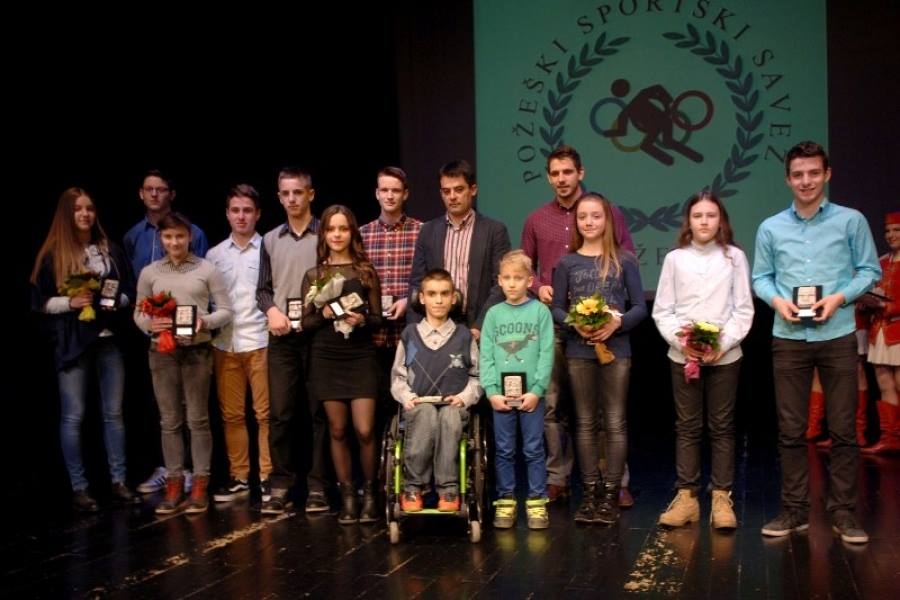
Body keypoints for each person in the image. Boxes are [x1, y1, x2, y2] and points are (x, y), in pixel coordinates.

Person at [752, 140, 880, 544]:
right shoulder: (771, 227)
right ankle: (794, 510)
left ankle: (843, 513)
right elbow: (761, 278)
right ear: (787, 179)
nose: (805, 181)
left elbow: (869, 271)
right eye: (797, 174)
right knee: (791, 430)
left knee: (843, 428)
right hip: (788, 336)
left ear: (827, 175)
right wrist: (777, 302)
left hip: (837, 333)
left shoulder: (851, 220)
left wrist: (839, 297)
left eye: (813, 173)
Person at [521, 143, 637, 506]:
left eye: (568, 172)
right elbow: (524, 269)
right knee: (554, 405)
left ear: (580, 173)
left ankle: (612, 480)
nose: (561, 179)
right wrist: (539, 287)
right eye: (555, 173)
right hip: (556, 324)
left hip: (604, 329)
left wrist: (612, 317)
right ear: (548, 178)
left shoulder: (607, 212)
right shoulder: (536, 219)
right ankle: (559, 477)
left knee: (605, 412)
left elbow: (626, 258)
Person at [30, 187, 139, 511]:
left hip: (108, 338)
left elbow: (129, 289)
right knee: (74, 415)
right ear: (67, 214)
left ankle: (119, 480)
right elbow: (39, 302)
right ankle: (79, 487)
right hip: (73, 342)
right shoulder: (54, 253)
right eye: (78, 209)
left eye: (89, 208)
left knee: (113, 413)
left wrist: (115, 301)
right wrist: (70, 302)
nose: (85, 214)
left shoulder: (108, 249)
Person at [652, 192, 754, 529]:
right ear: (689, 221)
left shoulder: (735, 257)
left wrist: (722, 344)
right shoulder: (675, 259)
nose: (705, 221)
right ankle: (687, 499)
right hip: (683, 356)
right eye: (698, 216)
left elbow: (743, 309)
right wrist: (683, 344)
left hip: (725, 356)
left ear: (721, 220)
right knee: (687, 427)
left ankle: (722, 498)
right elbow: (663, 310)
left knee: (722, 427)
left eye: (711, 215)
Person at [551, 192, 647, 525]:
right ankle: (590, 494)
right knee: (585, 422)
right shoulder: (567, 263)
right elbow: (557, 308)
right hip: (579, 351)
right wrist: (574, 322)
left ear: (607, 220)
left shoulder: (624, 260)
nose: (589, 222)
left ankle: (610, 494)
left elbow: (640, 307)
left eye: (595, 216)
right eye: (582, 217)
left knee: (615, 422)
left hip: (616, 352)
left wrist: (617, 323)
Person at [134, 212, 233, 515]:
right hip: (162, 352)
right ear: (160, 238)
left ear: (189, 237)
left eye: (179, 236)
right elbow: (139, 312)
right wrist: (149, 325)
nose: (174, 242)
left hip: (196, 351)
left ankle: (200, 484)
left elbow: (225, 310)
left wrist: (205, 322)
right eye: (168, 237)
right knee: (169, 421)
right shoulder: (150, 272)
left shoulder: (206, 269)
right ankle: (174, 483)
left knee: (198, 419)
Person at [123, 169, 209, 495]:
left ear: (171, 194)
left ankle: (193, 472)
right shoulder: (134, 237)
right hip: (153, 337)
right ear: (141, 194)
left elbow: (202, 284)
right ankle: (168, 470)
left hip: (191, 337)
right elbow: (135, 292)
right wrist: (148, 323)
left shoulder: (194, 233)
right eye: (149, 189)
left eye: (161, 189)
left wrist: (200, 321)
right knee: (161, 409)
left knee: (194, 411)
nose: (155, 195)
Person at [301, 205, 383, 524]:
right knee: (337, 429)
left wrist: (362, 320)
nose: (337, 235)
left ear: (352, 233)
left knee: (364, 430)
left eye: (343, 229)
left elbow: (377, 319)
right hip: (326, 358)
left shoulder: (365, 272)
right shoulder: (315, 275)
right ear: (323, 234)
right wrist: (323, 314)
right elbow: (306, 323)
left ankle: (371, 495)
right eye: (331, 229)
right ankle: (348, 497)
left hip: (360, 357)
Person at [256, 167, 322, 515]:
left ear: (310, 194)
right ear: (279, 197)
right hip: (282, 337)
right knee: (280, 414)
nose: (292, 199)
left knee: (318, 413)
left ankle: (318, 485)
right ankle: (280, 484)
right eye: (286, 193)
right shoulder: (270, 239)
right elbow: (262, 290)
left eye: (298, 192)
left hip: (318, 336)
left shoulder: (326, 233)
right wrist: (271, 311)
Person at [391, 269, 481, 513]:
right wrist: (407, 397)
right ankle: (413, 486)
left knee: (448, 416)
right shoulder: (410, 335)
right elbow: (398, 377)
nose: (438, 300)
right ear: (422, 298)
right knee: (426, 413)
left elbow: (477, 376)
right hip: (419, 404)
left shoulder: (464, 336)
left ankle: (448, 488)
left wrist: (464, 397)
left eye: (444, 294)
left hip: (453, 406)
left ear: (454, 298)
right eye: (432, 294)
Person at [206, 184, 272, 502]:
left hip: (260, 340)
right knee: (232, 416)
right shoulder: (214, 254)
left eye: (247, 210)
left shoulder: (268, 248)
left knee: (264, 415)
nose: (241, 216)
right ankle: (240, 477)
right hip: (225, 343)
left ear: (257, 214)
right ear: (227, 214)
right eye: (235, 210)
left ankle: (268, 476)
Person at [480, 251, 554, 529]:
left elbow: (547, 353)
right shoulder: (493, 314)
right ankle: (506, 500)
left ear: (530, 281)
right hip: (501, 396)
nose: (512, 284)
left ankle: (536, 502)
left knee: (534, 449)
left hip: (532, 395)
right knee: (504, 450)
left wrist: (537, 390)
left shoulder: (540, 312)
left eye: (518, 278)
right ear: (499, 280)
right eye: (507, 278)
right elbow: (486, 355)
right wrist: (491, 391)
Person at [408, 159, 511, 339]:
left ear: (473, 189)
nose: (452, 196)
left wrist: (480, 327)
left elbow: (500, 284)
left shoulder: (495, 231)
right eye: (446, 191)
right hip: (436, 328)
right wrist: (416, 332)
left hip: (480, 327)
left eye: (459, 189)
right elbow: (417, 284)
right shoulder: (428, 231)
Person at [359, 167, 422, 430]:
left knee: (409, 403)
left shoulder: (421, 231)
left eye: (395, 190)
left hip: (409, 333)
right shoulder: (362, 234)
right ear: (377, 193)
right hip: (372, 336)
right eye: (384, 190)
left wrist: (409, 299)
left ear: (405, 194)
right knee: (376, 406)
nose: (389, 196)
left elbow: (429, 278)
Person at [860, 210, 900, 454]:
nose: (891, 235)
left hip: (898, 328)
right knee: (884, 381)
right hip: (879, 330)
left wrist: (890, 307)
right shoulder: (881, 262)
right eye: (888, 230)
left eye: (897, 230)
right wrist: (868, 302)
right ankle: (890, 438)